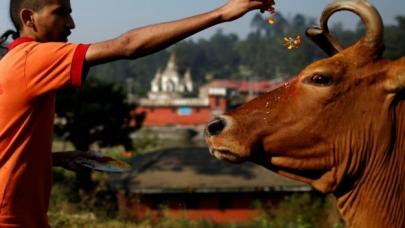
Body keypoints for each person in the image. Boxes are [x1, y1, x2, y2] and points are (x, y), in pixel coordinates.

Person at [0, 0, 274, 227]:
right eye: (61, 13)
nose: (71, 24)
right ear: (29, 18)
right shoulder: (33, 58)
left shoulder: (13, 61)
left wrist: (55, 159)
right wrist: (222, 13)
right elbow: (128, 45)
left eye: (70, 13)